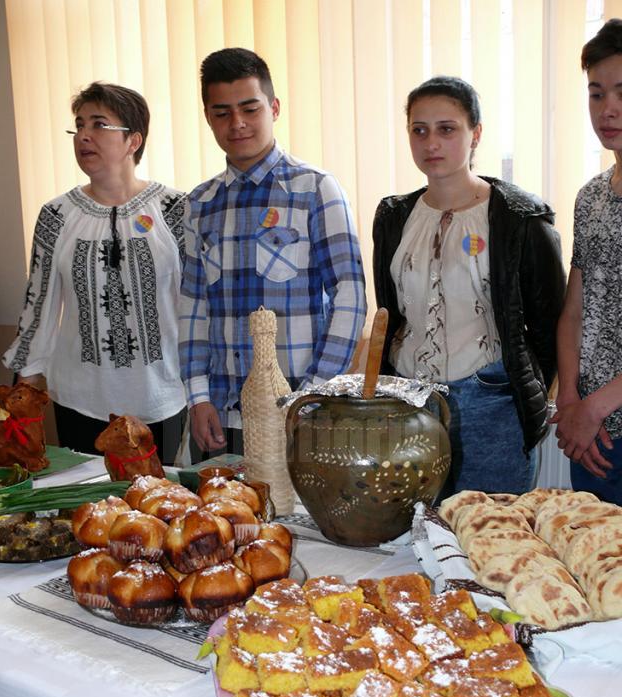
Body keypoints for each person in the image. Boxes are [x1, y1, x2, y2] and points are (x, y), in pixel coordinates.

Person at [373, 76, 565, 498]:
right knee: (416, 538)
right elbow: (392, 315)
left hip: (492, 405)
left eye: (447, 129)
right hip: (409, 404)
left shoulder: (520, 219)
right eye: (418, 130)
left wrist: (521, 395)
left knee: (492, 538)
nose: (431, 143)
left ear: (475, 133)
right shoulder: (393, 216)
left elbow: (550, 327)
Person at [179, 48, 367, 457]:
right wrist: (197, 396)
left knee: (294, 522)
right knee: (230, 521)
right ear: (208, 117)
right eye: (222, 112)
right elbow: (193, 307)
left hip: (297, 413)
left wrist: (313, 397)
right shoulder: (199, 204)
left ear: (274, 107)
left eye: (250, 108)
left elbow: (350, 297)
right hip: (223, 415)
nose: (238, 123)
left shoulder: (315, 189)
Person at [3, 82, 187, 462]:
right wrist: (28, 379)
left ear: (133, 140)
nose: (84, 136)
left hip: (163, 394)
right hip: (79, 398)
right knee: (89, 507)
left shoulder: (176, 209)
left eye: (99, 124)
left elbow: (197, 303)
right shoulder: (57, 214)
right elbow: (39, 301)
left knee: (159, 507)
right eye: (79, 125)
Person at [552, 19, 622, 503]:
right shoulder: (591, 196)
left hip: (601, 414)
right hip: (596, 437)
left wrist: (594, 407)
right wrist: (570, 399)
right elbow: (574, 312)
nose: (608, 109)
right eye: (596, 94)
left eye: (621, 91)